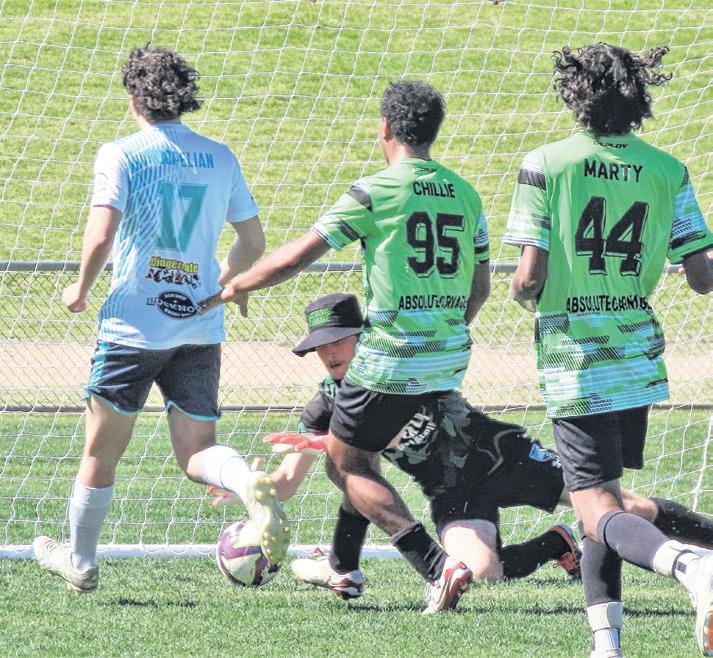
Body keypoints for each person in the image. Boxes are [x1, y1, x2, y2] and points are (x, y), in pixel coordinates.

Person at [200, 80, 490, 613]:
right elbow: (481, 286)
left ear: (385, 128)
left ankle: (436, 566)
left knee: (345, 466)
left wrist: (238, 284)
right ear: (433, 131)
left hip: (390, 358)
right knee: (366, 454)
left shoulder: (375, 191)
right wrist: (445, 331)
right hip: (450, 355)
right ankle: (345, 567)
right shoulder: (467, 194)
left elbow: (297, 257)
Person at [226, 293, 713, 600]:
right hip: (451, 492)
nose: (329, 351)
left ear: (366, 338)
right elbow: (287, 482)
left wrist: (331, 442)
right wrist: (249, 486)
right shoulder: (325, 407)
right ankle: (557, 543)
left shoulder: (407, 366)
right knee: (481, 573)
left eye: (339, 339)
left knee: (623, 508)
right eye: (320, 345)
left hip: (504, 459)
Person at [33, 45, 290, 593]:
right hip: (198, 325)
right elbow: (253, 242)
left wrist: (80, 289)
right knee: (197, 453)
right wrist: (221, 285)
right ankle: (245, 481)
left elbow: (102, 233)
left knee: (100, 453)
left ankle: (81, 562)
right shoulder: (220, 156)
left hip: (133, 327)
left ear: (134, 98)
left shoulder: (122, 153)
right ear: (184, 97)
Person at [504, 43, 713, 657]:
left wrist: (521, 293)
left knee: (595, 508)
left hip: (576, 358)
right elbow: (702, 276)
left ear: (575, 95)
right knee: (604, 501)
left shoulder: (546, 163)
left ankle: (691, 565)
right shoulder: (667, 169)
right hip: (637, 355)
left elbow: (529, 276)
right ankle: (606, 643)